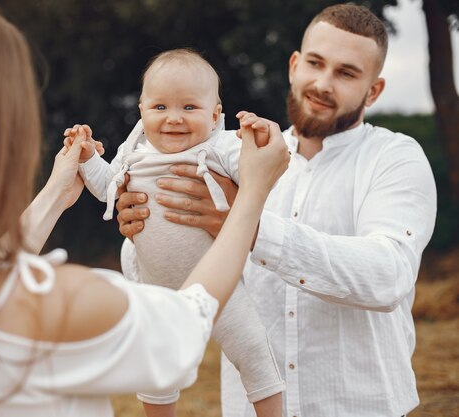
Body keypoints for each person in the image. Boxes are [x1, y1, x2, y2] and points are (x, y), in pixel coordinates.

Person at [0, 2, 290, 417]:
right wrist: (250, 194)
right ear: (11, 131)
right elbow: (180, 333)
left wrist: (56, 191)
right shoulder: (55, 304)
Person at [116, 4, 437, 417]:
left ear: (373, 91)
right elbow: (188, 272)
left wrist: (246, 222)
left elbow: (388, 275)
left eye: (346, 72)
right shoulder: (228, 155)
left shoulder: (395, 157)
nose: (323, 83)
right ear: (294, 65)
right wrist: (141, 226)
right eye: (316, 63)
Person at [63, 48, 284, 417]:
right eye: (160, 108)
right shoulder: (133, 153)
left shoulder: (220, 147)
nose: (174, 119)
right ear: (142, 111)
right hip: (155, 287)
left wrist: (257, 143)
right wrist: (86, 157)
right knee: (153, 366)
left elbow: (255, 176)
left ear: (215, 115)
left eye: (189, 108)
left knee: (253, 350)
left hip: (220, 286)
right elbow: (107, 189)